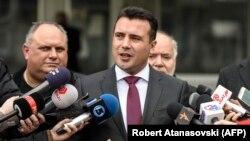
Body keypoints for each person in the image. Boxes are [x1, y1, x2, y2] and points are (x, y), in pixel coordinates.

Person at [79, 6, 190, 141]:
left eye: (135, 38)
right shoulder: (86, 87)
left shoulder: (177, 89)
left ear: (152, 46)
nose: (125, 44)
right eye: (119, 36)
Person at [5, 22, 86, 140]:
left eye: (59, 49)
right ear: (26, 51)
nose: (53, 55)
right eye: (45, 48)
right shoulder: (5, 90)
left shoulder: (84, 86)